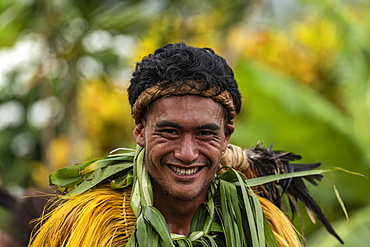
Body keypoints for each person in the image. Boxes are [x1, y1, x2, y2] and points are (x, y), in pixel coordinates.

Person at [28, 43, 342, 247]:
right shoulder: (87, 229)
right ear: (140, 131)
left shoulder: (263, 229)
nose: (187, 153)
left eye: (205, 134)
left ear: (226, 135)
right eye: (170, 132)